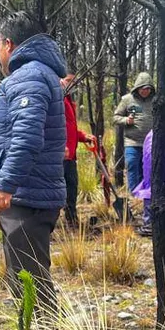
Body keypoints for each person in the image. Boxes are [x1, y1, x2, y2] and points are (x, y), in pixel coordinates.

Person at [0, 11, 67, 317]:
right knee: (26, 272)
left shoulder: (28, 75)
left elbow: (29, 136)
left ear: (8, 43)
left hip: (27, 196)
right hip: (30, 192)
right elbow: (21, 132)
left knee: (29, 278)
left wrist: (5, 183)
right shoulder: (39, 74)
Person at [61, 73, 96, 228]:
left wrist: (83, 136)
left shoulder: (68, 101)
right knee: (60, 187)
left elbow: (71, 129)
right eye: (68, 81)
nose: (71, 85)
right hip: (60, 154)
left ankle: (71, 218)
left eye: (73, 83)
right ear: (60, 81)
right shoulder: (56, 100)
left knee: (72, 186)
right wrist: (59, 146)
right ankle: (53, 222)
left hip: (71, 155)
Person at [113, 73, 155, 194]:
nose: (145, 91)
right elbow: (115, 117)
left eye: (148, 89)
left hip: (150, 143)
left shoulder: (156, 100)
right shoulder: (127, 99)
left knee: (146, 170)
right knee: (132, 165)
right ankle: (134, 194)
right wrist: (126, 120)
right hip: (132, 142)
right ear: (137, 88)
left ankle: (145, 195)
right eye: (142, 88)